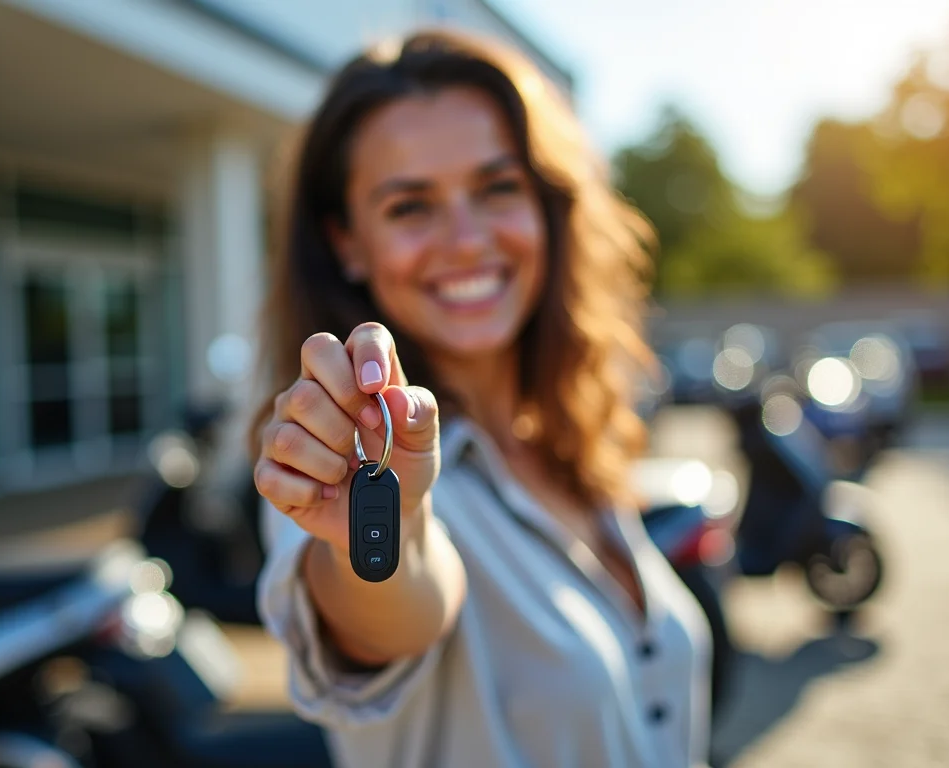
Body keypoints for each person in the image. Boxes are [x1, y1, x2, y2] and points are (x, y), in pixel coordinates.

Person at [249, 28, 712, 768]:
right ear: (347, 243)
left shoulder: (569, 446)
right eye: (410, 207)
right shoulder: (348, 466)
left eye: (498, 188)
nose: (466, 241)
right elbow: (391, 612)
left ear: (546, 207)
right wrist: (377, 534)